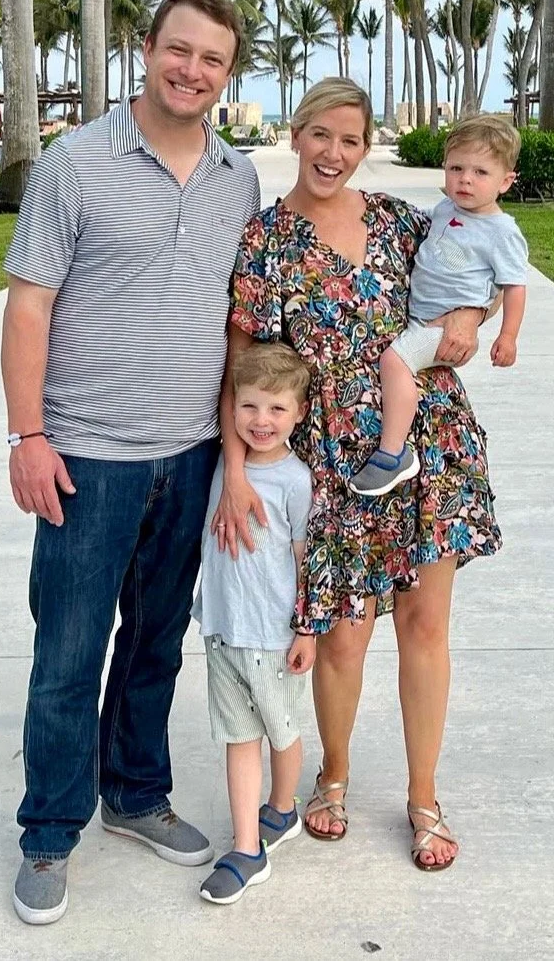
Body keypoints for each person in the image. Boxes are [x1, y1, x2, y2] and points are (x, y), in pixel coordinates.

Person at [0, 0, 260, 925]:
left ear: (230, 74)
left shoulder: (238, 178)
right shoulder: (75, 163)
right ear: (145, 49)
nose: (192, 70)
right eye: (178, 50)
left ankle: (136, 795)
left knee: (155, 644)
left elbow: (238, 321)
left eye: (213, 60)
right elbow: (28, 303)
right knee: (68, 653)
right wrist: (29, 437)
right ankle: (49, 832)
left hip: (189, 453)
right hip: (86, 454)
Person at [215, 79, 501, 874]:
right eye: (320, 136)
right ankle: (332, 776)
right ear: (296, 135)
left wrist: (472, 321)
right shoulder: (266, 240)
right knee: (343, 634)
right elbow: (244, 364)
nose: (333, 153)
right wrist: (236, 468)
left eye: (350, 139)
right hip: (331, 456)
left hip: (429, 440)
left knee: (425, 626)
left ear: (365, 144)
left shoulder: (403, 222)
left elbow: (474, 274)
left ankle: (423, 797)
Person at [348, 115, 528, 496]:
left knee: (395, 362)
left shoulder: (502, 232)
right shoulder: (445, 211)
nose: (465, 179)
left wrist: (507, 336)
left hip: (439, 327)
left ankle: (392, 452)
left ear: (506, 181)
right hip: (420, 317)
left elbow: (514, 287)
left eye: (481, 172)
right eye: (456, 168)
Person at [193, 343, 315, 904]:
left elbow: (303, 557)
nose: (261, 421)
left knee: (281, 730)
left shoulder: (294, 481)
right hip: (222, 628)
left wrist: (307, 627)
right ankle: (247, 848)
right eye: (249, 407)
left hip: (273, 634)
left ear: (299, 414)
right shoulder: (222, 464)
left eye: (276, 409)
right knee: (239, 738)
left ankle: (283, 808)